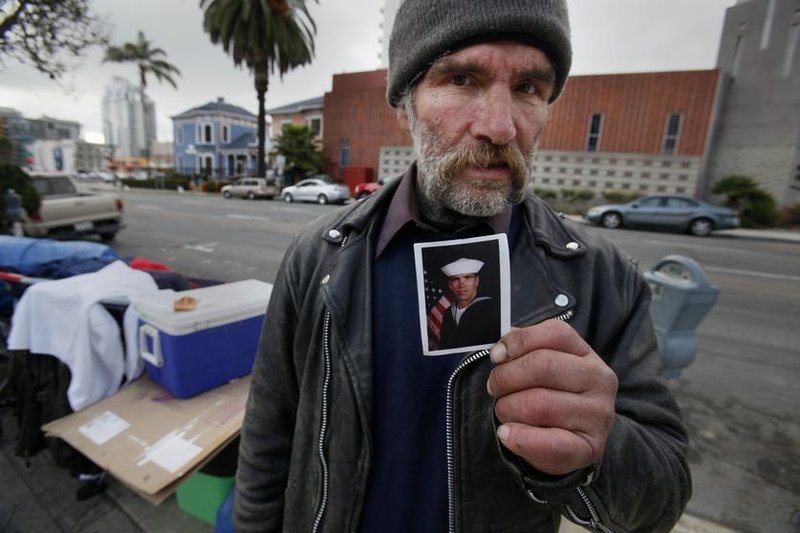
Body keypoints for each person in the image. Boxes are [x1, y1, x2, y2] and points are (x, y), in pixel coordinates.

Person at [234, 0, 691, 531]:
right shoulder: (320, 256)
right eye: (461, 78)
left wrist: (594, 452)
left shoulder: (600, 275)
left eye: (528, 89)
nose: (500, 127)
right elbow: (269, 438)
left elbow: (660, 499)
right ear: (405, 104)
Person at [438, 257, 499, 350]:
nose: (461, 285)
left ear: (476, 281)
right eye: (455, 279)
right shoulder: (448, 314)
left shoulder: (491, 309)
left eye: (467, 277)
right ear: (450, 285)